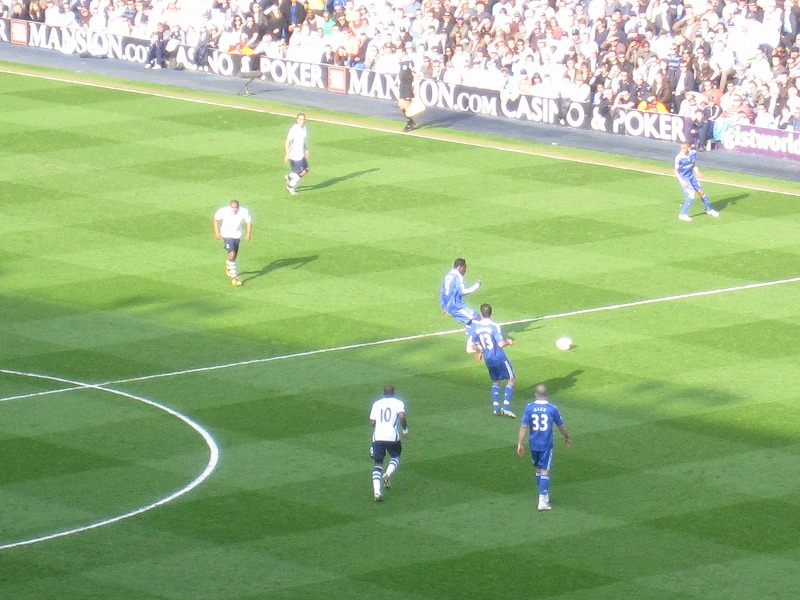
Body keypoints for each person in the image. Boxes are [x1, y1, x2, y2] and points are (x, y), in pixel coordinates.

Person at [516, 384, 572, 512]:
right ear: (547, 394)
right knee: (545, 470)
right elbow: (561, 426)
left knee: (538, 469)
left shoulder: (529, 407)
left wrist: (520, 443)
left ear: (535, 395)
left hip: (533, 443)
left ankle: (544, 495)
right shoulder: (552, 409)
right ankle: (542, 501)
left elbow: (524, 426)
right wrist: (567, 437)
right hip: (546, 444)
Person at [468, 303, 516, 418]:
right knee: (511, 379)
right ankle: (506, 407)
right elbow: (500, 344)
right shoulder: (494, 326)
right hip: (499, 357)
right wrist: (508, 342)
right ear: (491, 312)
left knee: (496, 381)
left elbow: (473, 345)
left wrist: (479, 352)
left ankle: (496, 409)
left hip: (488, 358)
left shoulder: (477, 327)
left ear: (481, 313)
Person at [369, 384, 408, 502]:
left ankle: (377, 492)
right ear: (393, 392)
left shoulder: (376, 403)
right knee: (396, 456)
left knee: (378, 464)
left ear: (383, 393)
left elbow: (372, 422)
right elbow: (402, 416)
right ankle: (388, 473)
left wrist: (379, 427)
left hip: (378, 436)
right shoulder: (398, 403)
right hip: (392, 435)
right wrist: (405, 430)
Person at [440, 258, 482, 352]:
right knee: (476, 317)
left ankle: (471, 344)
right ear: (459, 267)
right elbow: (462, 292)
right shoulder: (457, 276)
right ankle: (472, 344)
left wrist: (444, 306)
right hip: (456, 306)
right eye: (464, 267)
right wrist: (476, 286)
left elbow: (442, 291)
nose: (465, 270)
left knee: (470, 320)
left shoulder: (448, 275)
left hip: (451, 305)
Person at [674, 142, 719, 222]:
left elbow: (693, 163)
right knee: (692, 194)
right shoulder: (679, 157)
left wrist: (696, 171)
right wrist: (682, 181)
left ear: (688, 148)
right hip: (684, 178)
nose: (682, 150)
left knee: (701, 192)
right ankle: (682, 214)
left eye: (684, 148)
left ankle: (709, 210)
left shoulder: (693, 153)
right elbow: (675, 171)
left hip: (691, 176)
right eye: (681, 148)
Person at [212, 199, 252, 287]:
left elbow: (248, 222)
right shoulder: (223, 211)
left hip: (237, 235)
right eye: (232, 208)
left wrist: (248, 234)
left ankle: (228, 264)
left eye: (236, 208)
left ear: (238, 207)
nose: (234, 210)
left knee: (233, 257)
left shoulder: (244, 211)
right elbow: (215, 219)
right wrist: (217, 232)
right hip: (226, 235)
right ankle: (235, 278)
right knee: (232, 254)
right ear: (230, 207)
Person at [284, 112, 309, 196]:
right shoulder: (294, 129)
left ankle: (289, 177)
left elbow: (302, 141)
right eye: (301, 119)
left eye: (303, 119)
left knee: (306, 169)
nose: (302, 121)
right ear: (297, 120)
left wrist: (306, 149)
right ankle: (290, 186)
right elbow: (287, 141)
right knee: (301, 172)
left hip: (301, 154)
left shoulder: (304, 128)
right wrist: (287, 154)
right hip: (294, 156)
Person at [397, 47, 417, 131]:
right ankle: (411, 121)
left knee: (406, 105)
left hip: (408, 85)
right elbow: (400, 74)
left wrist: (414, 86)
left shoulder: (409, 62)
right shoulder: (400, 63)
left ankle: (409, 123)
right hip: (402, 85)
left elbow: (414, 74)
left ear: (403, 53)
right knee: (401, 105)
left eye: (400, 52)